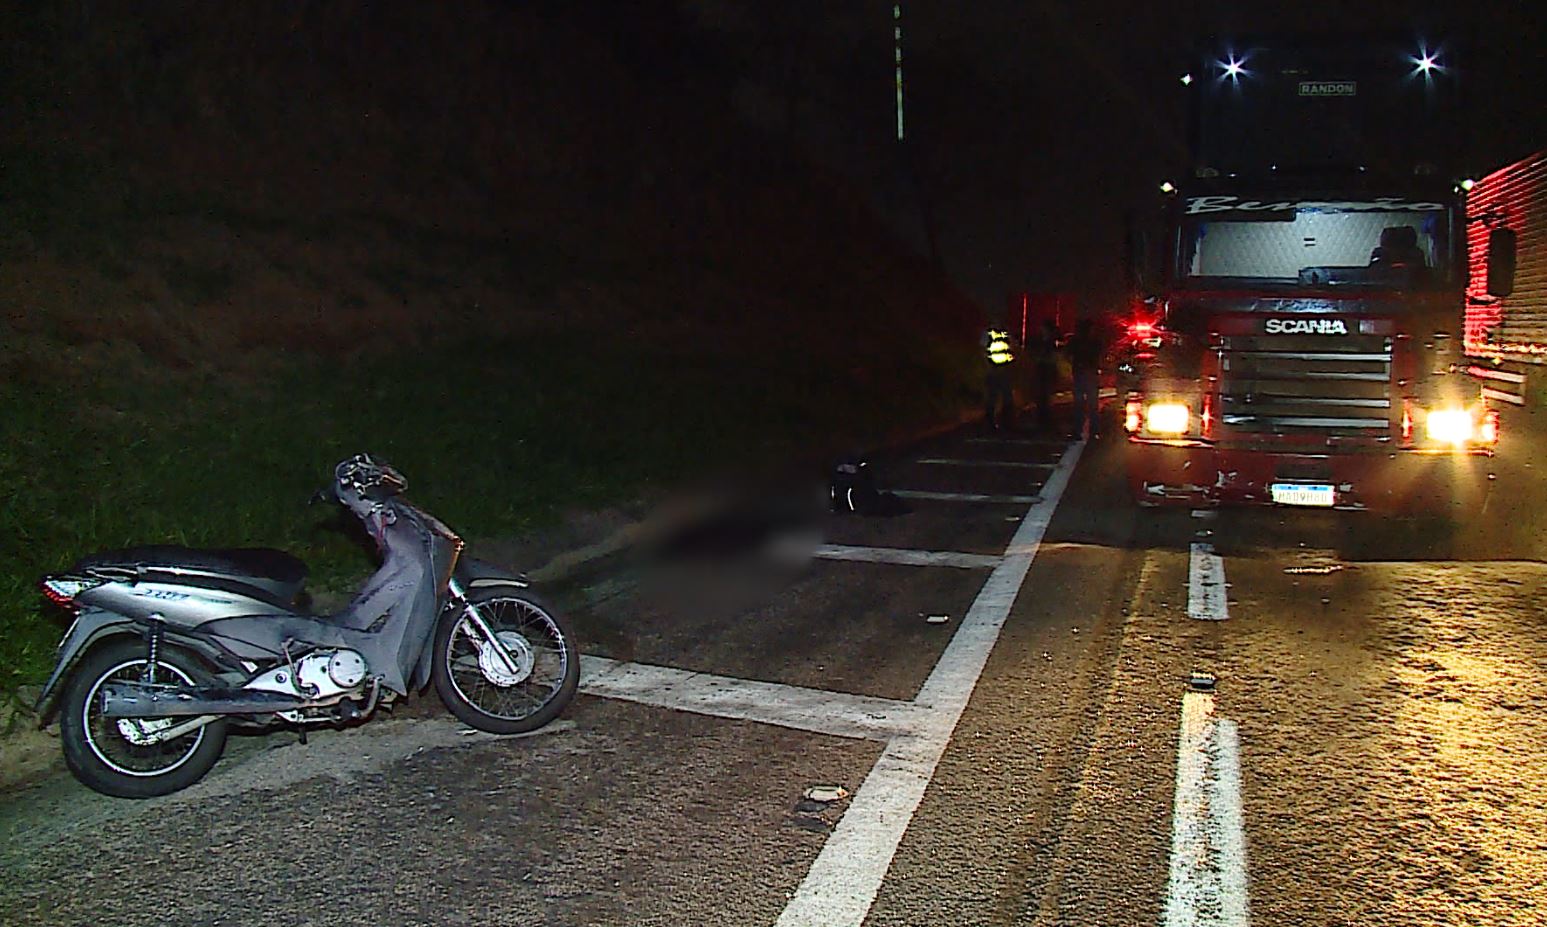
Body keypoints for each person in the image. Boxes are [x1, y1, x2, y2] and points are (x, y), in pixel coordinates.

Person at [1066, 318, 1103, 440]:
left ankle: (1078, 430)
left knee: (1079, 404)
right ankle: (1094, 431)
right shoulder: (1095, 342)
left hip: (1079, 372)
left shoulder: (1075, 341)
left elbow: (1068, 354)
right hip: (1090, 373)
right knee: (1092, 404)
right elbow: (1100, 355)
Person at [980, 325, 1018, 431]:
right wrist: (988, 367)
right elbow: (983, 351)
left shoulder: (1005, 333)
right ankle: (991, 422)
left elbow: (1012, 349)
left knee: (1006, 396)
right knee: (993, 397)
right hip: (994, 369)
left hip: (1003, 369)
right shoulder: (989, 334)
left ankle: (1006, 422)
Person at [1028, 319, 1060, 430]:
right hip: (1042, 370)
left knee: (1045, 395)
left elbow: (1052, 357)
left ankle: (1045, 419)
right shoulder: (1040, 341)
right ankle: (1042, 419)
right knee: (1041, 396)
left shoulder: (1050, 342)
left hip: (1046, 370)